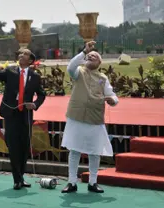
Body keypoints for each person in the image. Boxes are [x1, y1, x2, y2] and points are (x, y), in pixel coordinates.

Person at [61, 41, 119, 194]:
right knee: (74, 151)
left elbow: (111, 95)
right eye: (89, 55)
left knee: (95, 151)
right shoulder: (79, 72)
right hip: (77, 116)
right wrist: (84, 51)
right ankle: (72, 182)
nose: (91, 56)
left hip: (95, 118)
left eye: (94, 56)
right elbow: (70, 67)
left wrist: (113, 100)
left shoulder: (102, 78)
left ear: (99, 62)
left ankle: (93, 182)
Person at [0, 48, 46, 190]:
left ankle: (21, 176)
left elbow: (41, 94)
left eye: (25, 54)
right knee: (13, 146)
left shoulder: (35, 76)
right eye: (20, 53)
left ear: (31, 60)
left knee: (25, 147)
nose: (21, 55)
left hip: (25, 115)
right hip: (11, 113)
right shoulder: (10, 71)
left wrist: (34, 104)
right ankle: (17, 179)